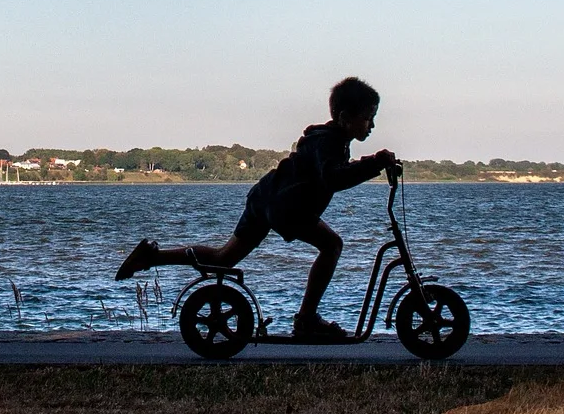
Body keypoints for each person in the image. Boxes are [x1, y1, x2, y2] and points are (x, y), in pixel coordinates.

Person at [113, 76, 397, 340]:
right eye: (367, 118)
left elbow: (334, 173)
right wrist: (373, 164)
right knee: (332, 245)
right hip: (285, 206)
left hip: (266, 197)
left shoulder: (330, 138)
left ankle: (152, 257)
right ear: (346, 118)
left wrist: (371, 164)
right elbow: (333, 178)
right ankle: (306, 319)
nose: (371, 125)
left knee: (224, 259)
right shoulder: (329, 141)